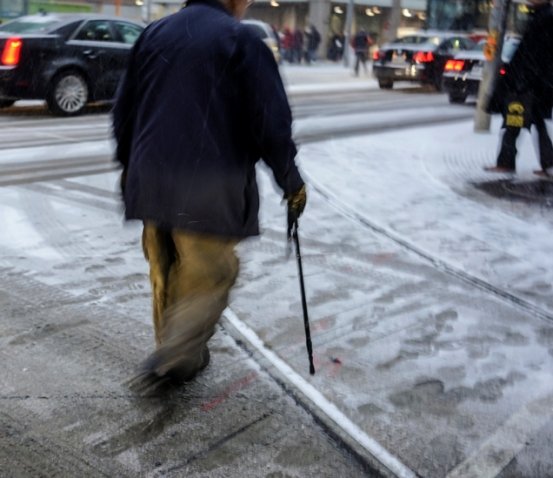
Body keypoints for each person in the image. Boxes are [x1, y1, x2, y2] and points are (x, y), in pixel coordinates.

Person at [112, 0, 306, 396]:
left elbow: (123, 110)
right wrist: (291, 181)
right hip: (208, 181)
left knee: (165, 268)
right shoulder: (242, 40)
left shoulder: (155, 34)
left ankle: (176, 353)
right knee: (209, 274)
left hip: (150, 175)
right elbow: (271, 122)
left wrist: (129, 166)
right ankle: (173, 359)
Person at [484, 0, 553, 176]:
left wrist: (524, 80)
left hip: (530, 84)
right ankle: (547, 164)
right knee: (527, 122)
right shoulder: (541, 17)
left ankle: (507, 163)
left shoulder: (545, 19)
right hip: (534, 83)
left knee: (515, 119)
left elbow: (538, 55)